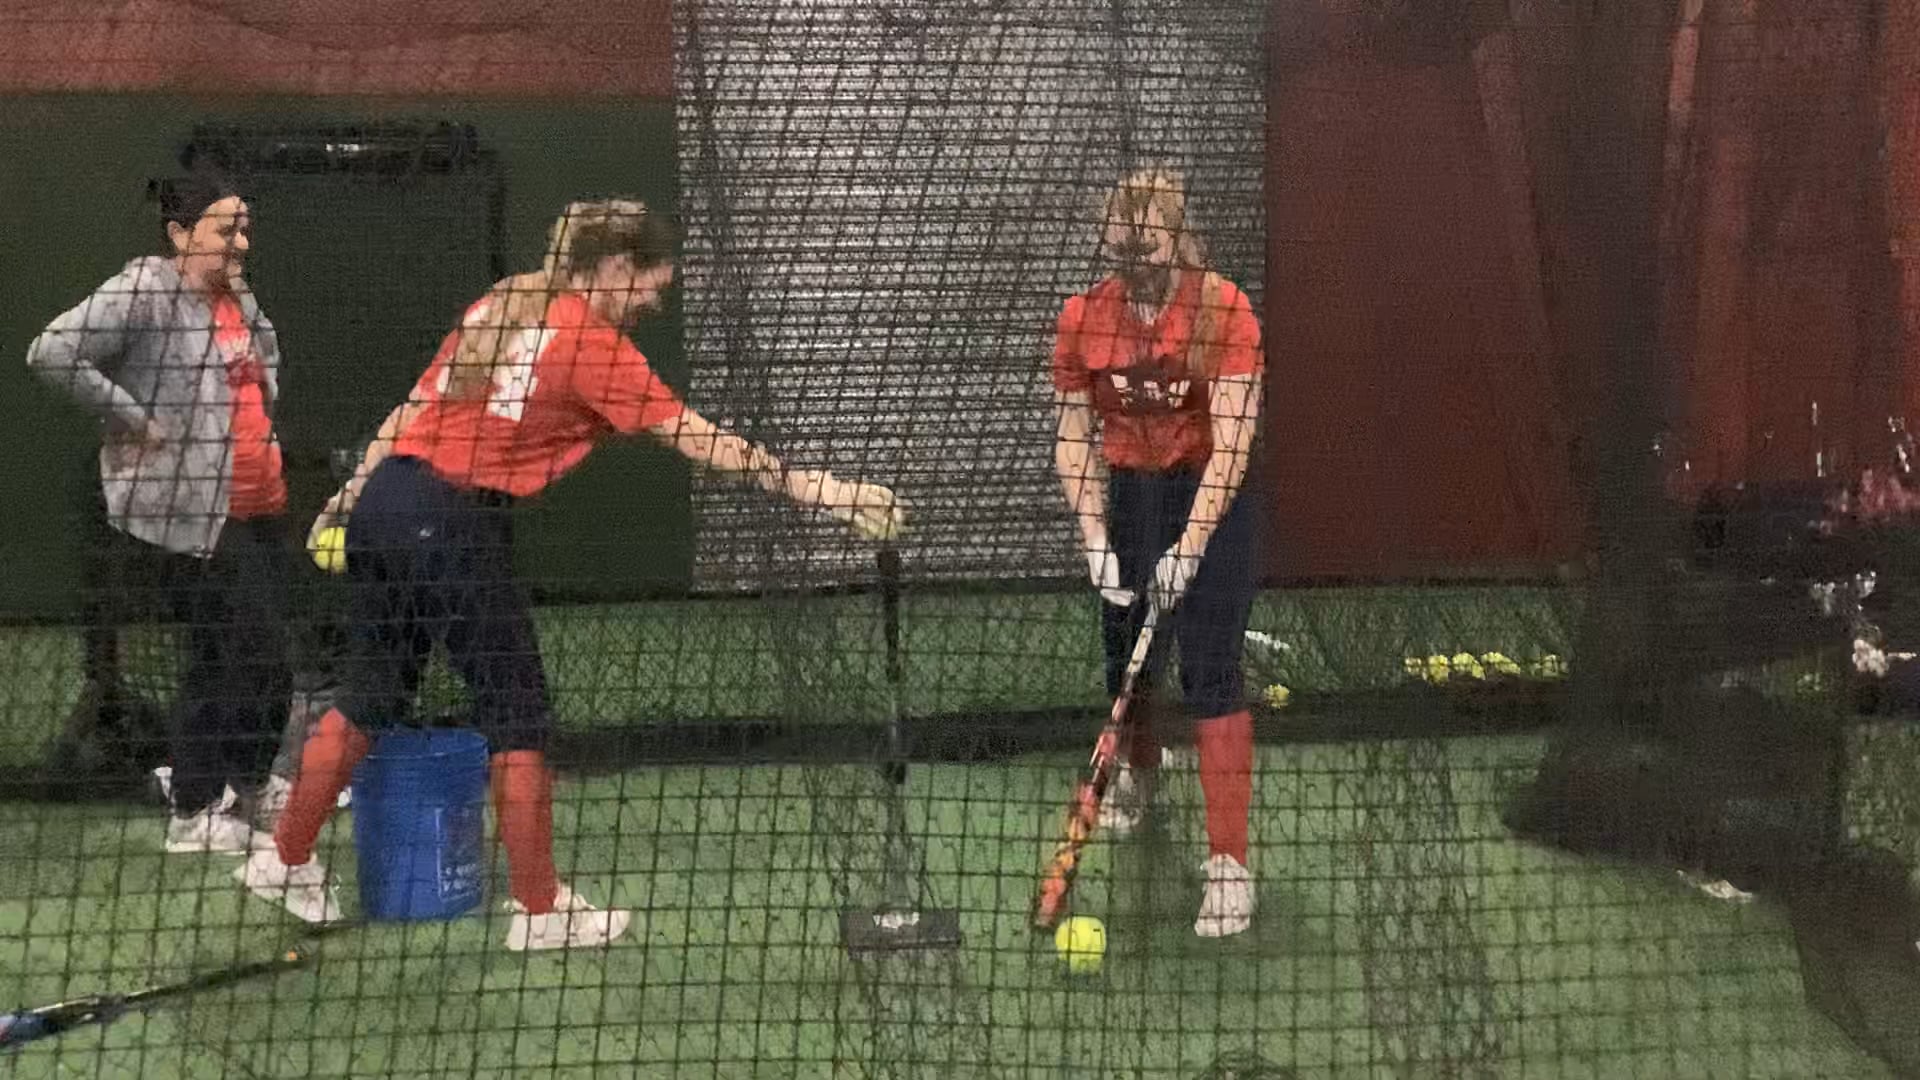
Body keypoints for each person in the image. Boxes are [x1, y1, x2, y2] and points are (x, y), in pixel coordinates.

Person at [241, 198, 906, 950]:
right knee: (516, 708)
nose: (654, 301)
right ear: (615, 266)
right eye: (651, 283)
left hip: (388, 502)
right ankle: (539, 911)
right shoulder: (594, 346)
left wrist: (347, 499)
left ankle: (284, 860)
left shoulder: (502, 304)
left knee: (373, 690)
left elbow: (409, 411)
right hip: (449, 520)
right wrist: (826, 490)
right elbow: (700, 439)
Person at [27, 170, 297, 853]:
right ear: (180, 234)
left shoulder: (236, 294)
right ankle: (194, 807)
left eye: (244, 228)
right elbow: (51, 351)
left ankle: (248, 783)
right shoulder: (145, 290)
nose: (240, 242)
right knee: (236, 655)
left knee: (256, 659)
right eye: (224, 229)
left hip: (259, 503)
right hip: (189, 512)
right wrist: (131, 416)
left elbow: (259, 369)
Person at [1051, 168, 1265, 938]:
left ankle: (1229, 866)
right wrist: (1095, 537)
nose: (1133, 266)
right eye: (1120, 251)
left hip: (1209, 495)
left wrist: (1191, 546)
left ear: (1177, 240)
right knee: (1126, 665)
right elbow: (1073, 433)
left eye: (1146, 250)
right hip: (1131, 499)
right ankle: (1141, 774)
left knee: (1210, 669)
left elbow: (1233, 445)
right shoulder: (1085, 316)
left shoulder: (1223, 310)